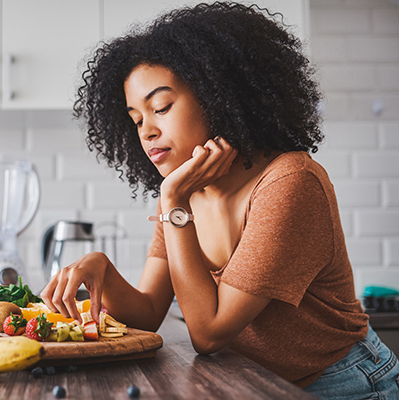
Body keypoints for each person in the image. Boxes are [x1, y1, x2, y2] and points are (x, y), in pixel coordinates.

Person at [40, 2, 399, 398]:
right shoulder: (184, 190)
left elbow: (208, 334)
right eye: (137, 119)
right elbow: (147, 313)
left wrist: (173, 201)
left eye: (161, 107)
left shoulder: (289, 182)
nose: (147, 132)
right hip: (258, 383)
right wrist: (102, 269)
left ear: (217, 95)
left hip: (343, 383)